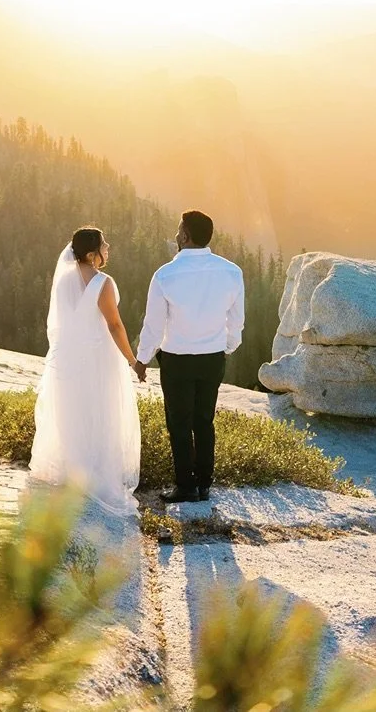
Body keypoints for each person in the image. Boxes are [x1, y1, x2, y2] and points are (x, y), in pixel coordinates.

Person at [27, 226, 144, 515]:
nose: (109, 247)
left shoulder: (64, 279)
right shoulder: (103, 283)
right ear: (92, 255)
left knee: (72, 414)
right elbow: (114, 325)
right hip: (97, 359)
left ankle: (70, 474)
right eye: (104, 244)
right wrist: (133, 361)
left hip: (67, 359)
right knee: (100, 414)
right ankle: (96, 479)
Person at [136, 210, 245, 503]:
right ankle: (205, 484)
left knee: (179, 424)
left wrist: (142, 359)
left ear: (184, 236)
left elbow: (154, 325)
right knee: (204, 420)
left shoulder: (165, 276)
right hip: (212, 358)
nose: (175, 235)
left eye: (178, 230)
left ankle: (186, 486)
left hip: (177, 359)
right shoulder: (232, 272)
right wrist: (227, 347)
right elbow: (236, 322)